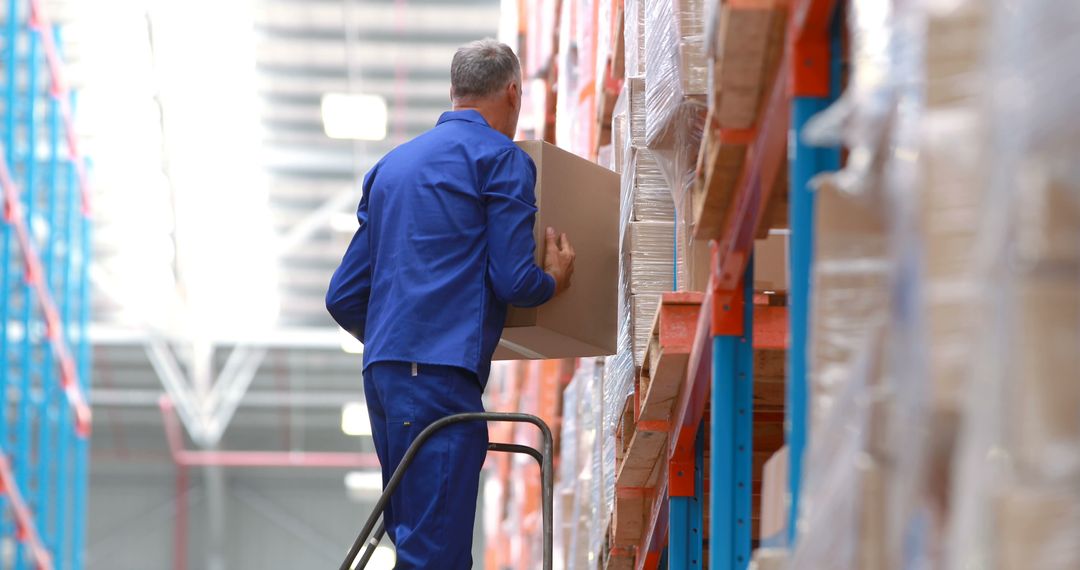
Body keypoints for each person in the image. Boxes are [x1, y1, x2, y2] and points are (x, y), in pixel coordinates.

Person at [325, 39, 575, 569]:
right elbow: (514, 280)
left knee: (417, 533)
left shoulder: (390, 168)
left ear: (454, 92)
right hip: (438, 380)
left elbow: (343, 296)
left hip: (385, 377)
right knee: (434, 548)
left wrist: (400, 334)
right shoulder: (501, 160)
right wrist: (553, 280)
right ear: (512, 92)